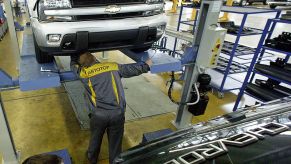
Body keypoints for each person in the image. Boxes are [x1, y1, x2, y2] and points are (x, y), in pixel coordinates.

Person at [70, 51, 153, 164]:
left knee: (95, 139)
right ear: (94, 58)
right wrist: (146, 65)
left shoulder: (83, 73)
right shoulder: (112, 66)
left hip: (98, 116)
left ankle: (91, 159)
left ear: (83, 65)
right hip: (117, 114)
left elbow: (73, 67)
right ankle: (115, 161)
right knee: (115, 142)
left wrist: (73, 56)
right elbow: (131, 69)